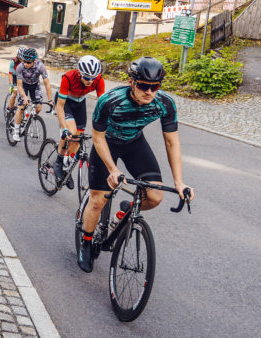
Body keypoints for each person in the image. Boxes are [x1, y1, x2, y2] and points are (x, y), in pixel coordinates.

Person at [77, 56, 193, 272]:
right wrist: (112, 169)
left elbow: (172, 142)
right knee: (97, 201)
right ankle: (86, 241)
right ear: (132, 82)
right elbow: (98, 138)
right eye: (143, 86)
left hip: (134, 143)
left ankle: (123, 214)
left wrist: (179, 182)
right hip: (107, 143)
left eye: (155, 87)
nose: (149, 92)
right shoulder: (110, 100)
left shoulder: (165, 103)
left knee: (155, 196)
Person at [53, 55, 106, 188]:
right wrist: (64, 127)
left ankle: (67, 165)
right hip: (65, 103)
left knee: (78, 138)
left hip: (80, 103)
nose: (90, 81)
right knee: (70, 132)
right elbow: (59, 105)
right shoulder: (68, 77)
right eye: (87, 77)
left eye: (93, 78)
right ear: (80, 73)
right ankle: (59, 161)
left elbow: (103, 105)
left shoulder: (98, 80)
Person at [12, 48, 53, 141]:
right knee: (22, 106)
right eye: (24, 61)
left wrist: (50, 100)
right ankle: (16, 131)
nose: (25, 64)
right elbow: (19, 85)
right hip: (24, 86)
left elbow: (47, 83)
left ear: (34, 61)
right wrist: (24, 97)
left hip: (35, 85)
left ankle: (29, 119)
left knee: (38, 107)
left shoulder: (40, 66)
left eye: (28, 62)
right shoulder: (20, 67)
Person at [7, 45, 27, 115]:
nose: (23, 61)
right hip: (15, 77)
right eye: (21, 59)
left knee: (23, 94)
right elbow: (10, 74)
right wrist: (11, 85)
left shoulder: (26, 62)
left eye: (24, 59)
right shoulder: (13, 62)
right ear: (18, 57)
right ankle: (10, 108)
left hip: (22, 78)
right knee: (15, 93)